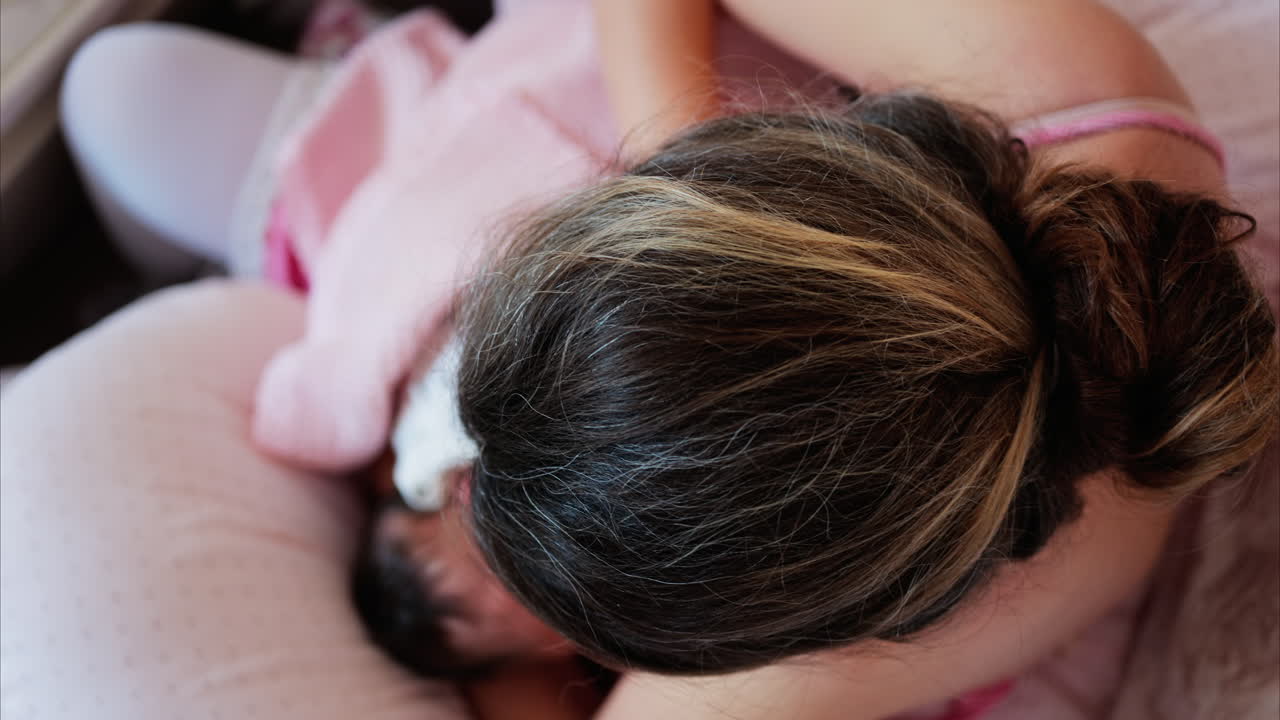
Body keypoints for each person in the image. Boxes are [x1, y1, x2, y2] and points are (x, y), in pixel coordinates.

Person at [56, 1, 1278, 719]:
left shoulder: (843, 645)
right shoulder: (1075, 87)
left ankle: (268, 234)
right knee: (118, 89)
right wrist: (672, 136)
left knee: (120, 97)